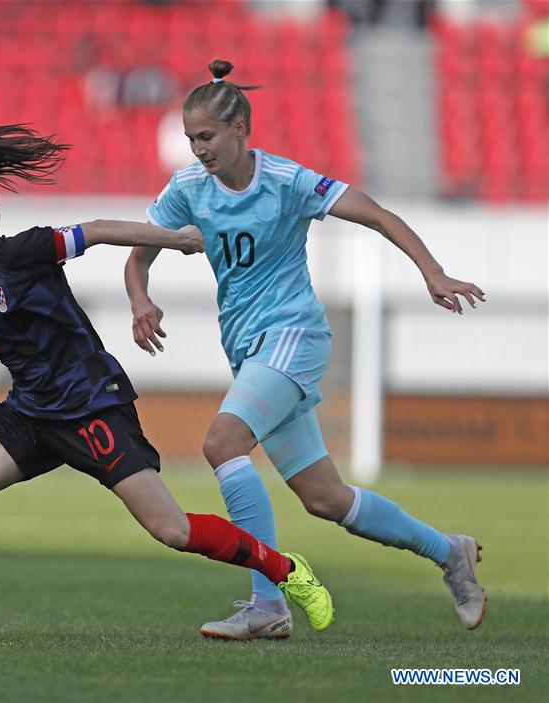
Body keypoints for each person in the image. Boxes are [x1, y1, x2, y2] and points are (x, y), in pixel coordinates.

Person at [0, 124, 334, 639]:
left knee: (172, 530)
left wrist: (175, 238)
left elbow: (97, 231)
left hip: (91, 406)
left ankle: (286, 570)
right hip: (28, 415)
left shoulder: (17, 254)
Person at [125, 60, 487, 641]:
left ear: (240, 127)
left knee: (222, 442)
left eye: (206, 136)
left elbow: (376, 214)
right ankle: (450, 552)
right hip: (250, 349)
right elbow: (138, 255)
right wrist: (141, 300)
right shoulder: (188, 187)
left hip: (294, 335)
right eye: (191, 138)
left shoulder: (288, 181)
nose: (198, 149)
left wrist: (432, 271)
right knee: (326, 499)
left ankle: (267, 602)